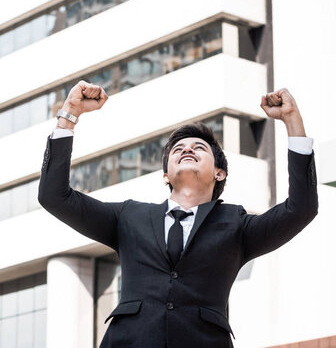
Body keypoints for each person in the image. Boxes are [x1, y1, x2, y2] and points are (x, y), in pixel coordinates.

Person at [38, 80, 318, 348]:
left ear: (219, 173)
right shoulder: (129, 217)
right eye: (178, 149)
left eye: (199, 148)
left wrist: (293, 121)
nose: (187, 149)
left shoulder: (237, 226)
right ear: (165, 176)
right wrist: (70, 115)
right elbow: (54, 196)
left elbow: (301, 208)